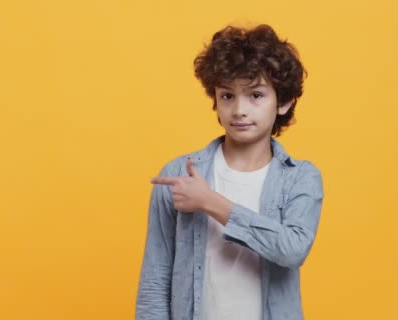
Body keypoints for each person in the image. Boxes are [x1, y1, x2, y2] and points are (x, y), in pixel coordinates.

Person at [135, 24, 324, 320]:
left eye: (256, 96)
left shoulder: (300, 178)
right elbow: (155, 280)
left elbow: (292, 250)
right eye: (227, 96)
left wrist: (210, 202)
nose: (239, 110)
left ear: (284, 102)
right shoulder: (180, 174)